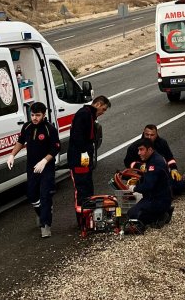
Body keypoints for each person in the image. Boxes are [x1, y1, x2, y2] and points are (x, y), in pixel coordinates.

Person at [8, 102, 59, 238]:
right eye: (32, 115)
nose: (35, 118)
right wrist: (12, 155)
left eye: (38, 115)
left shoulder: (49, 129)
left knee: (45, 195)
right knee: (31, 194)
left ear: (44, 115)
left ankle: (45, 225)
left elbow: (55, 148)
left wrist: (45, 160)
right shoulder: (27, 127)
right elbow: (20, 141)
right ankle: (41, 212)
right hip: (32, 167)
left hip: (46, 167)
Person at [67, 95, 111, 227]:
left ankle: (87, 217)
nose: (102, 113)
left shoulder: (89, 115)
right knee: (81, 190)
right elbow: (78, 138)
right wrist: (85, 153)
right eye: (103, 109)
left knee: (87, 189)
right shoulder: (84, 115)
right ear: (97, 104)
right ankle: (82, 220)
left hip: (84, 160)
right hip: (79, 160)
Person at [124, 139, 173, 235]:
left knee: (132, 215)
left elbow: (148, 186)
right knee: (133, 211)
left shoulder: (154, 163)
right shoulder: (154, 159)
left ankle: (160, 216)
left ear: (150, 149)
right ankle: (161, 213)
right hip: (158, 197)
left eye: (141, 150)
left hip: (158, 199)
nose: (139, 153)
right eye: (138, 150)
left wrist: (134, 188)